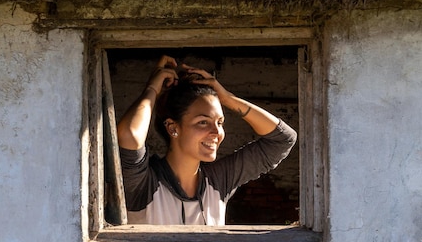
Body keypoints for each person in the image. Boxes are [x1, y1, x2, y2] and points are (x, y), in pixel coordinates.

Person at [117, 55, 297, 225]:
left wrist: (228, 98)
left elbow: (282, 139)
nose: (216, 132)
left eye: (220, 122)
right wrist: (152, 89)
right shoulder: (142, 183)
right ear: (173, 128)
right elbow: (129, 135)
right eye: (203, 122)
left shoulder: (218, 180)